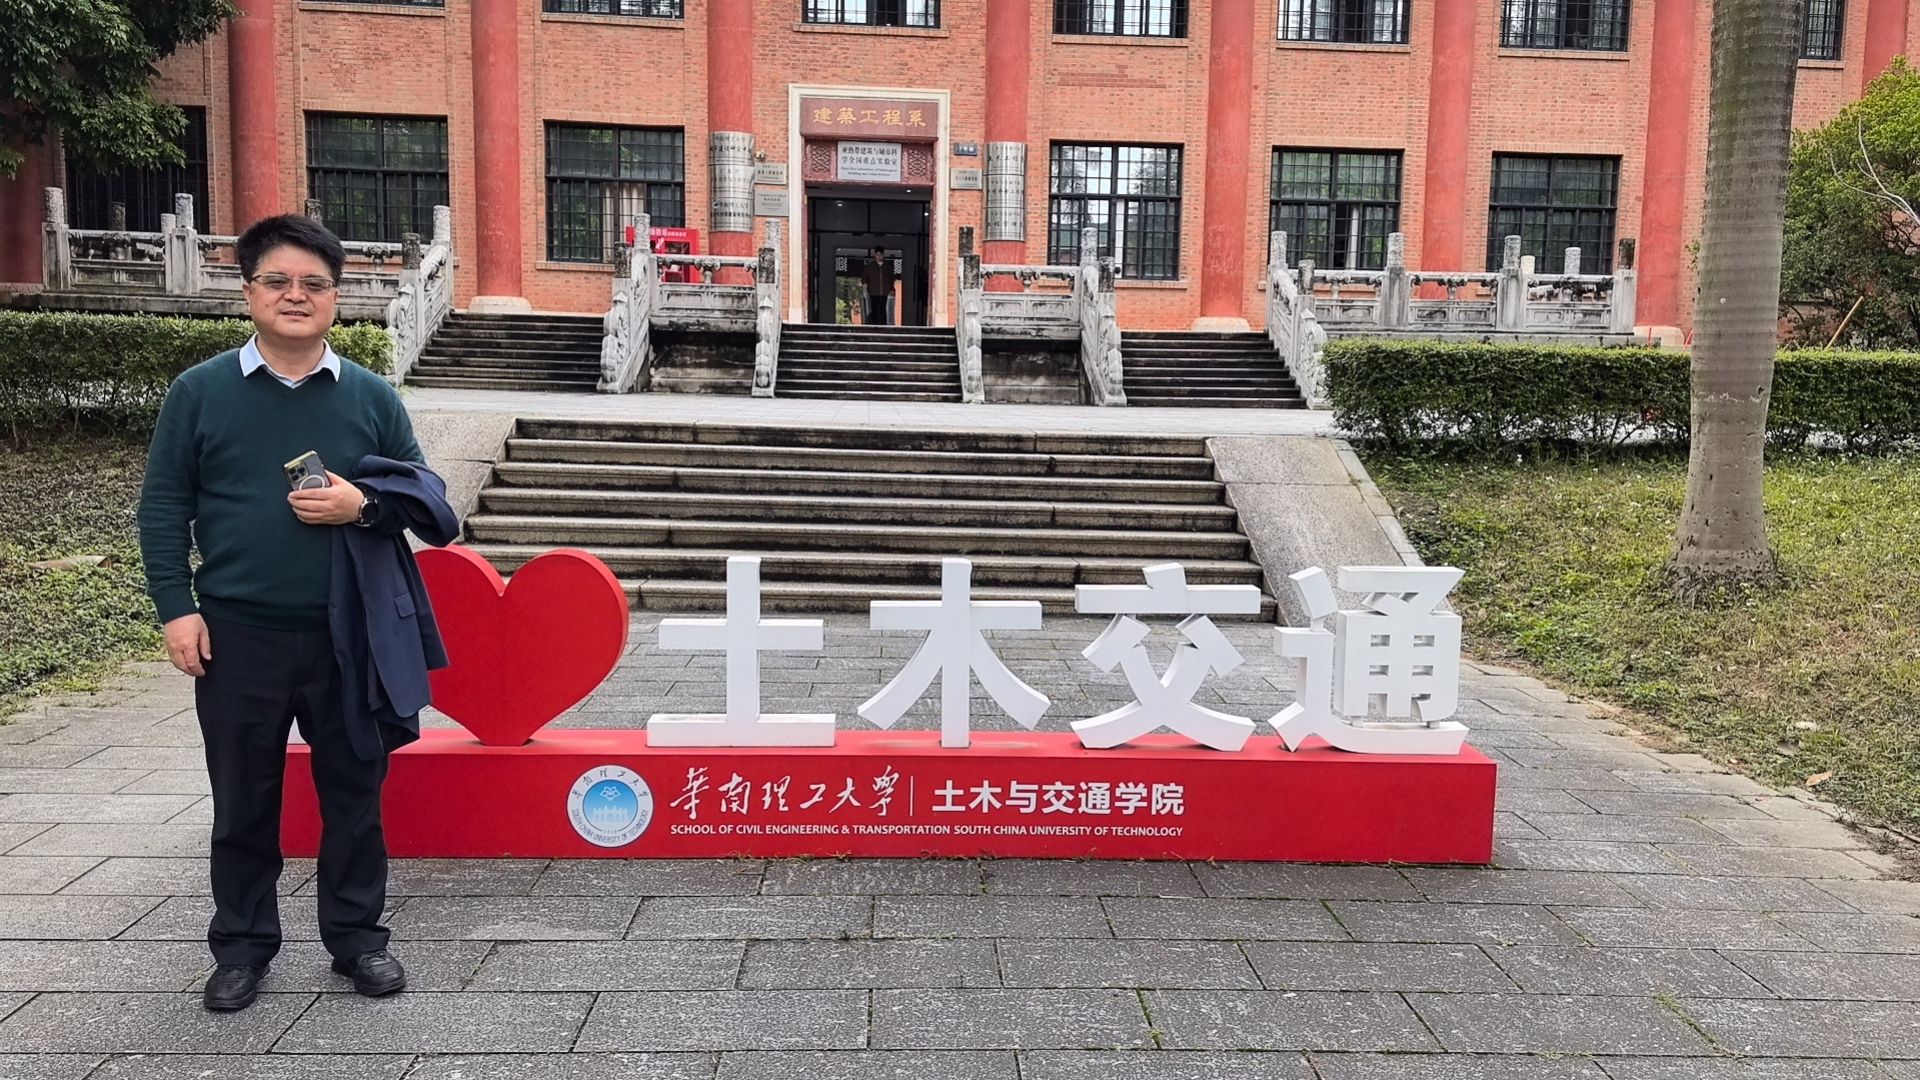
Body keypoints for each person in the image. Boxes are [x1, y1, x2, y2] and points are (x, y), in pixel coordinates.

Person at [138, 214, 450, 1013]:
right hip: (237, 634)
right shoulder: (200, 392)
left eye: (314, 283)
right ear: (248, 292)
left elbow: (425, 499)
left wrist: (361, 504)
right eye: (276, 280)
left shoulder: (369, 396)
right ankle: (242, 948)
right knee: (243, 799)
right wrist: (176, 608)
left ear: (336, 298)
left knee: (355, 795)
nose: (295, 295)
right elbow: (164, 506)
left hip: (348, 635)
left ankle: (358, 940)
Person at [862, 245, 894, 325]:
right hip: (873, 291)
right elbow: (865, 278)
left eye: (880, 255)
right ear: (875, 255)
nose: (878, 257)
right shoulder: (870, 266)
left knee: (883, 308)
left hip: (884, 292)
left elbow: (891, 279)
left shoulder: (887, 266)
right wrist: (865, 289)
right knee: (874, 309)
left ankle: (883, 325)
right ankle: (874, 325)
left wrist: (892, 289)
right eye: (877, 255)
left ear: (883, 255)